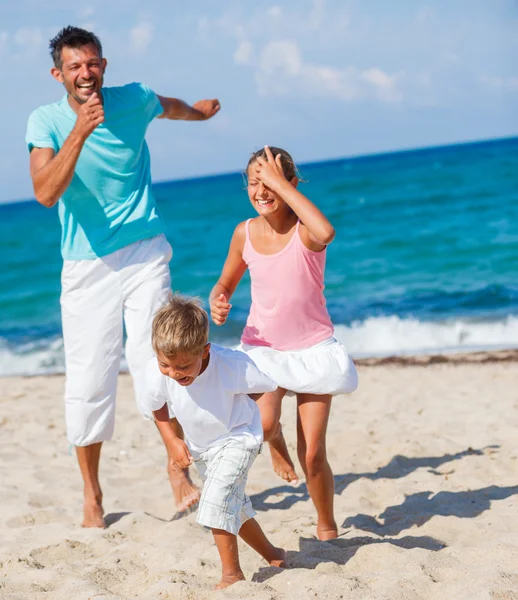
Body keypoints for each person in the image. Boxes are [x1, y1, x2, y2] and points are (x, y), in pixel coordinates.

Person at [25, 26, 220, 528]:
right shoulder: (45, 121)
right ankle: (92, 494)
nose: (84, 73)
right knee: (90, 381)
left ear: (103, 65)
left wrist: (199, 112)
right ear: (58, 74)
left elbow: (168, 106)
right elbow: (45, 192)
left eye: (91, 63)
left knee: (154, 357)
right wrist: (80, 130)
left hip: (144, 250)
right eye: (74, 67)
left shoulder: (133, 99)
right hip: (86, 266)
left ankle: (176, 467)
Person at [209, 146, 358, 540]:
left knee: (312, 453)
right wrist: (219, 297)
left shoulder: (305, 231)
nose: (261, 190)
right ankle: (276, 446)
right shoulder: (245, 233)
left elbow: (327, 232)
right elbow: (227, 280)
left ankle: (325, 521)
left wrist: (280, 184)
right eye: (254, 182)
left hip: (312, 351)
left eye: (270, 181)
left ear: (291, 184)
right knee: (266, 424)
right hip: (264, 348)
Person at [145, 295, 286, 589]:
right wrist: (171, 441)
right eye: (166, 365)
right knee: (236, 507)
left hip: (239, 436)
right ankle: (273, 554)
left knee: (218, 500)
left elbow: (268, 388)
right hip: (203, 448)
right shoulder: (158, 370)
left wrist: (270, 427)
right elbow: (157, 406)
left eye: (183, 366)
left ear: (205, 351)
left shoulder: (231, 365)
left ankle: (232, 574)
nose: (173, 373)